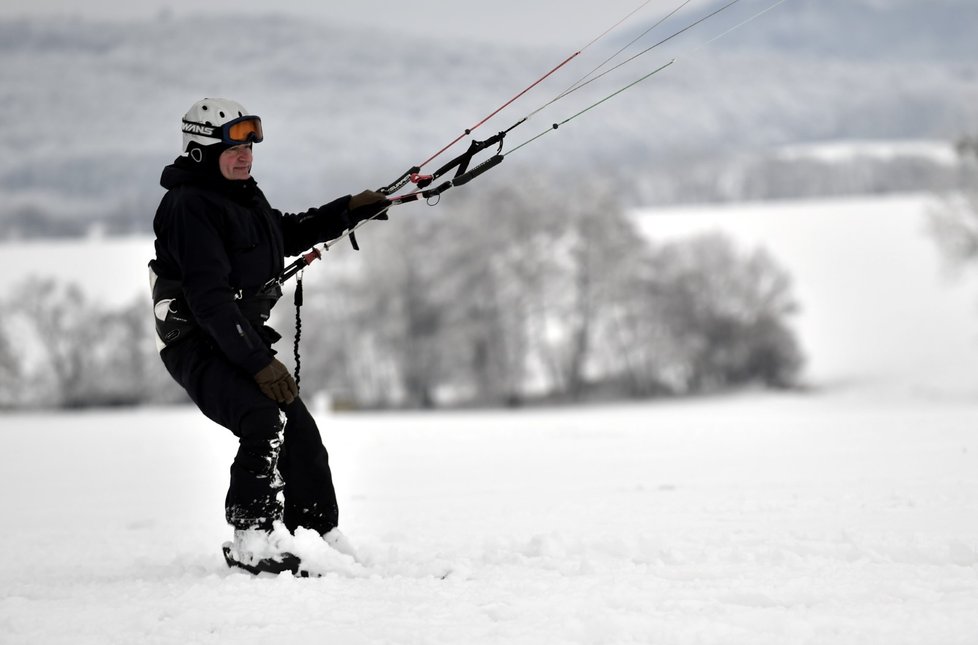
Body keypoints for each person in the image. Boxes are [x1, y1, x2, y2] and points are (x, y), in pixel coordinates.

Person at [149, 97, 388, 573]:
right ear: (199, 150)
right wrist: (259, 362)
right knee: (263, 417)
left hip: (235, 334)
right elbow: (210, 301)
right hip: (196, 342)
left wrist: (348, 211)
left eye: (251, 148)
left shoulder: (242, 197)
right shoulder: (188, 207)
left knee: (300, 431)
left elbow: (283, 234)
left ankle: (316, 535)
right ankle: (252, 538)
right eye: (233, 148)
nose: (246, 156)